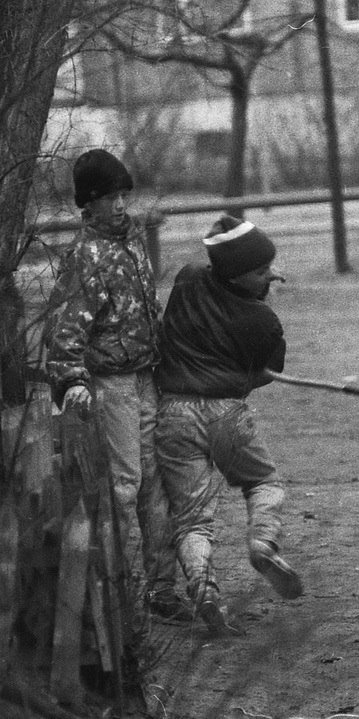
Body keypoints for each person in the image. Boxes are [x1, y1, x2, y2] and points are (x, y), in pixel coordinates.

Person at [45, 148, 189, 622]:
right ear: (89, 204)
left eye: (124, 195)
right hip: (113, 386)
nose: (120, 206)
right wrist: (71, 383)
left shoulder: (130, 245)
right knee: (125, 487)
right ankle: (113, 594)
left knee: (156, 485)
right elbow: (65, 333)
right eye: (109, 198)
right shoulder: (85, 257)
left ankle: (161, 589)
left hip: (146, 378)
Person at [155, 215, 303, 636]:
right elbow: (262, 375)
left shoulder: (187, 278)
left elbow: (209, 276)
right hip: (226, 414)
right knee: (265, 484)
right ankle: (262, 543)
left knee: (192, 520)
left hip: (173, 413)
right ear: (238, 277)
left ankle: (203, 590)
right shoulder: (263, 321)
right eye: (261, 272)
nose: (270, 276)